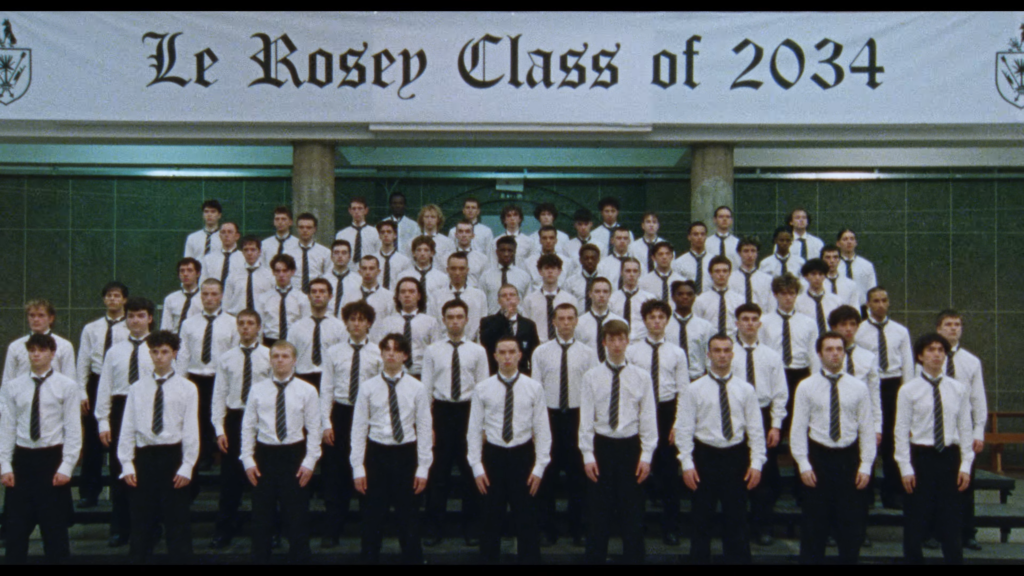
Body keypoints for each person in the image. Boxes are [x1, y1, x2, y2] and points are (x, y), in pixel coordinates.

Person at [676, 334, 766, 564]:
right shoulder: (694, 389)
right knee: (701, 520)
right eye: (717, 350)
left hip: (735, 457)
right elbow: (684, 429)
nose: (722, 355)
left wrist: (756, 463)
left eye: (727, 350)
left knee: (736, 521)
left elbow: (755, 430)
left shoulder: (745, 389)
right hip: (705, 456)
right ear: (708, 355)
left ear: (733, 355)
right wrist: (687, 464)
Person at [790, 331, 875, 564]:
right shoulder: (806, 387)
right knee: (814, 528)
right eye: (829, 349)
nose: (835, 353)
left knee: (851, 528)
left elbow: (867, 429)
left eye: (839, 349)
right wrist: (803, 463)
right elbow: (798, 429)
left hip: (849, 459)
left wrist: (866, 465)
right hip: (818, 459)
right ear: (819, 353)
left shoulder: (858, 387)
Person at [118, 330, 199, 564]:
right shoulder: (137, 387)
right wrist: (126, 462)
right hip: (144, 457)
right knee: (141, 522)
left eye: (164, 352)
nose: (159, 357)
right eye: (154, 352)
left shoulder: (187, 388)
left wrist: (187, 464)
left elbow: (191, 428)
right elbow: (127, 427)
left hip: (173, 457)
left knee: (178, 523)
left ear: (174, 353)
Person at [579, 319, 656, 565]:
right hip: (602, 446)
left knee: (632, 512)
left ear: (627, 342)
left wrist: (646, 456)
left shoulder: (641, 377)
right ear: (604, 343)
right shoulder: (591, 376)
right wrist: (588, 454)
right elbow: (586, 418)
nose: (616, 344)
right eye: (611, 339)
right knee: (597, 512)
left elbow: (648, 418)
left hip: (629, 447)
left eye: (620, 339)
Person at [351, 334, 433, 565]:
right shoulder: (368, 387)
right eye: (386, 349)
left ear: (405, 356)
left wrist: (423, 467)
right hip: (376, 455)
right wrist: (358, 466)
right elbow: (358, 427)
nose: (390, 353)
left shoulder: (417, 388)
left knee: (408, 519)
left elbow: (425, 427)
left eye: (397, 350)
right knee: (372, 519)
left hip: (406, 454)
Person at [0, 333, 81, 564]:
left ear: (52, 354)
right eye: (32, 350)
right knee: (16, 530)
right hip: (22, 458)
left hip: (52, 458)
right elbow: (7, 427)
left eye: (41, 350)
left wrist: (67, 466)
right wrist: (5, 464)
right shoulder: (14, 387)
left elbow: (73, 430)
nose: (36, 354)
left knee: (54, 530)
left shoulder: (67, 386)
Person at [468, 336, 551, 564]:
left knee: (527, 520)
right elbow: (474, 429)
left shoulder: (533, 388)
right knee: (490, 519)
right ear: (494, 356)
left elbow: (542, 429)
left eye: (511, 352)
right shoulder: (482, 388)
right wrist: (476, 466)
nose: (506, 357)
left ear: (519, 355)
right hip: (493, 457)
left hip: (522, 456)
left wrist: (540, 467)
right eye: (501, 352)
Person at [896, 333, 974, 565]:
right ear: (920, 356)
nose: (937, 354)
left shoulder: (958, 389)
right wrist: (905, 467)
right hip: (921, 457)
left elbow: (965, 429)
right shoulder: (909, 390)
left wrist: (966, 465)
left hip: (949, 457)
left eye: (941, 350)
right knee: (916, 520)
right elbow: (900, 431)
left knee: (951, 521)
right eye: (931, 350)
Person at [240, 340, 320, 563]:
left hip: (294, 456)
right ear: (270, 360)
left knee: (297, 517)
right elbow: (248, 426)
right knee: (261, 518)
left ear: (294, 360)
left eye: (285, 356)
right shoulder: (257, 390)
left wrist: (310, 461)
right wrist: (247, 459)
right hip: (265, 455)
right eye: (275, 356)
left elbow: (314, 428)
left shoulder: (308, 390)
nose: (280, 360)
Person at [421, 301, 490, 546]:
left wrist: (482, 426)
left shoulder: (478, 351)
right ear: (444, 319)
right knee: (438, 472)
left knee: (471, 470)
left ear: (467, 320)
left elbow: (483, 390)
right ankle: (434, 526)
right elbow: (426, 390)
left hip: (468, 412)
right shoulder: (432, 351)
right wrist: (427, 424)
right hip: (441, 412)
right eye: (450, 317)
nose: (455, 321)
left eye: (460, 317)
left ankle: (471, 526)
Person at [531, 303, 597, 547]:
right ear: (554, 322)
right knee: (546, 474)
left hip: (578, 417)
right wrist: (536, 426)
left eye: (570, 318)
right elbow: (536, 391)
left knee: (578, 477)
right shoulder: (541, 352)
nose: (566, 323)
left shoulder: (588, 353)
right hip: (549, 417)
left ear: (577, 321)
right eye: (561, 318)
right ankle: (547, 528)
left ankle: (578, 527)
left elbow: (593, 390)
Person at [319, 301, 383, 548]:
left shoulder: (378, 353)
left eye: (361, 319)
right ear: (345, 322)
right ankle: (333, 528)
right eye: (352, 319)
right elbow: (326, 389)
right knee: (336, 473)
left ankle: (369, 530)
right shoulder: (334, 352)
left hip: (368, 415)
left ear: (368, 323)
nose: (356, 323)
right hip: (342, 413)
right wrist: (326, 422)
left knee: (367, 470)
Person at [625, 300, 689, 545]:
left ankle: (670, 527)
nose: (656, 321)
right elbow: (628, 387)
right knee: (639, 470)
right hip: (639, 411)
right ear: (644, 320)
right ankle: (636, 527)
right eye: (651, 317)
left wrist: (677, 423)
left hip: (666, 411)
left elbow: (683, 391)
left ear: (667, 320)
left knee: (669, 473)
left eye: (661, 317)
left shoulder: (676, 352)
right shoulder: (633, 351)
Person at [96, 297, 155, 548]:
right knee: (120, 471)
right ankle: (120, 528)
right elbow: (105, 387)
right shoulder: (115, 350)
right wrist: (103, 421)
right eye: (131, 316)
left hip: (150, 408)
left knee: (148, 473)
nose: (135, 320)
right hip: (120, 410)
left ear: (150, 318)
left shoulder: (159, 348)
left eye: (140, 315)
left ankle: (151, 528)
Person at [210, 309, 270, 549]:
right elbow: (219, 395)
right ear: (237, 327)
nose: (246, 327)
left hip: (262, 418)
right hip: (235, 418)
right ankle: (225, 528)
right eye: (242, 323)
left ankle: (268, 529)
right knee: (231, 479)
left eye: (250, 323)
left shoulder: (269, 355)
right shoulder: (226, 358)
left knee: (264, 477)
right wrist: (219, 428)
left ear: (258, 327)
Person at [733, 303, 789, 546]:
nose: (749, 323)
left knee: (764, 475)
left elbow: (780, 393)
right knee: (736, 471)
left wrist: (775, 425)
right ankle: (738, 528)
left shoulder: (771, 355)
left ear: (760, 323)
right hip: (734, 413)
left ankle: (763, 525)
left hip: (763, 413)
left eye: (754, 319)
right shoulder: (726, 351)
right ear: (736, 322)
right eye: (744, 318)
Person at [855, 286, 914, 509]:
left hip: (893, 386)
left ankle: (894, 493)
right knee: (868, 439)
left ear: (888, 303)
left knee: (892, 439)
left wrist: (907, 394)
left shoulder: (900, 331)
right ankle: (865, 493)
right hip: (869, 385)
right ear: (868, 304)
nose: (880, 304)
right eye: (875, 301)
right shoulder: (859, 331)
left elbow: (907, 364)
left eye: (884, 300)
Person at [935, 309, 987, 551]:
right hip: (935, 430)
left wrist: (979, 431)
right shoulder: (930, 358)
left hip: (963, 431)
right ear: (939, 329)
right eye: (948, 324)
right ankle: (934, 532)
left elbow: (978, 399)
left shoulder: (971, 361)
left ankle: (968, 532)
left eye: (957, 324)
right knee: (936, 484)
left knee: (965, 482)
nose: (953, 328)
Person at [75, 281, 129, 508]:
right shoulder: (92, 328)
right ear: (104, 299)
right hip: (96, 382)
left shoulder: (131, 326)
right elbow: (83, 361)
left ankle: (122, 493)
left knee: (121, 438)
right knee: (92, 441)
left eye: (117, 296)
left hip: (122, 385)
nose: (113, 300)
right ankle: (89, 491)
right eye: (108, 296)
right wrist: (82, 391)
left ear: (124, 299)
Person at [177, 278, 238, 469]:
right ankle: (202, 457)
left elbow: (235, 355)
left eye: (214, 294)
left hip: (220, 378)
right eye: (205, 294)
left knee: (222, 418)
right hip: (196, 377)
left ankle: (227, 458)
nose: (209, 298)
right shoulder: (189, 324)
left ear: (221, 296)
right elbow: (183, 355)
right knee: (198, 419)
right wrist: (180, 382)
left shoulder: (232, 322)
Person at [759, 274, 817, 435]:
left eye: (792, 293)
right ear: (775, 295)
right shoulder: (764, 322)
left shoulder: (808, 323)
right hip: (775, 373)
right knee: (775, 420)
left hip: (800, 373)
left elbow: (813, 355)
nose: (788, 298)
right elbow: (761, 352)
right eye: (783, 293)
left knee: (800, 419)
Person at [376, 278, 442, 378]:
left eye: (411, 292)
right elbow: (380, 351)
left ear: (419, 296)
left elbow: (436, 353)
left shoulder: (430, 322)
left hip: (422, 374)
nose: (407, 295)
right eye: (403, 292)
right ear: (398, 296)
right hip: (394, 374)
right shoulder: (387, 322)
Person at [3, 299, 76, 387]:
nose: (36, 319)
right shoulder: (15, 346)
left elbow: (70, 380)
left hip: (54, 396)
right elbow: (7, 380)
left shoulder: (64, 346)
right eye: (32, 315)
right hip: (22, 397)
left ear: (51, 318)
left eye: (41, 315)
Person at [290, 278, 345, 390]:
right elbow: (290, 357)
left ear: (330, 296)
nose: (318, 295)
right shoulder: (296, 327)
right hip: (302, 377)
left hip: (328, 379)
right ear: (309, 297)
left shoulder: (339, 327)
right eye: (314, 292)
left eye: (322, 291)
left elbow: (342, 359)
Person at [479, 284, 540, 375]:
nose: (508, 298)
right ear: (498, 301)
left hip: (522, 375)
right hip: (495, 373)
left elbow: (534, 353)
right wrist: (504, 319)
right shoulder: (487, 322)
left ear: (518, 300)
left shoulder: (528, 325)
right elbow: (485, 342)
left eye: (512, 295)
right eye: (504, 296)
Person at [427, 252, 486, 342]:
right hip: (443, 346)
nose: (457, 273)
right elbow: (432, 326)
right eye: (453, 269)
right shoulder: (436, 296)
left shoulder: (479, 296)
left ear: (467, 270)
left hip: (470, 346)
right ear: (447, 270)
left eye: (461, 269)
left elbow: (482, 328)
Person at [667, 280, 716, 381]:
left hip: (697, 377)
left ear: (694, 298)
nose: (685, 297)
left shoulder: (705, 327)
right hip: (671, 378)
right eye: (680, 294)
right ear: (673, 297)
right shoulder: (665, 325)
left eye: (689, 294)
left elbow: (709, 356)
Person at [521, 254, 578, 342]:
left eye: (553, 268)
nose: (550, 272)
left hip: (562, 343)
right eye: (547, 268)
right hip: (537, 344)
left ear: (559, 271)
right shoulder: (530, 300)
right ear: (540, 271)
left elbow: (574, 326)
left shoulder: (570, 300)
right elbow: (526, 327)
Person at [258, 254, 311, 347]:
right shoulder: (264, 298)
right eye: (277, 271)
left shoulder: (302, 298)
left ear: (292, 272)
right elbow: (259, 326)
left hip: (293, 342)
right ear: (273, 272)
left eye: (285, 271)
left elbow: (306, 325)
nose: (281, 275)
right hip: (270, 341)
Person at [574, 277, 625, 363]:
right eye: (597, 291)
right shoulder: (579, 323)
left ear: (610, 295)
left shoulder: (620, 322)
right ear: (590, 294)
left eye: (605, 291)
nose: (601, 295)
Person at [693, 255, 744, 339]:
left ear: (730, 273)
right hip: (709, 343)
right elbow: (697, 325)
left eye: (725, 271)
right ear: (710, 273)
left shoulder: (739, 300)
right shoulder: (701, 300)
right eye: (717, 271)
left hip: (733, 343)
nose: (721, 274)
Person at [479, 236, 532, 315]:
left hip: (517, 321)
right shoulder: (486, 276)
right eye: (503, 250)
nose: (506, 254)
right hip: (493, 322)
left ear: (514, 252)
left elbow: (527, 304)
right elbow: (482, 304)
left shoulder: (524, 276)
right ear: (497, 252)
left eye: (510, 250)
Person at [224, 236, 275, 315]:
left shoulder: (269, 275)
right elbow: (226, 301)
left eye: (253, 250)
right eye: (246, 250)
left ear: (260, 252)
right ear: (242, 253)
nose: (249, 253)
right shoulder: (233, 275)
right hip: (237, 319)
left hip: (261, 319)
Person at [609, 258, 656, 341]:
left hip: (642, 342)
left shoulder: (649, 299)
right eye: (628, 271)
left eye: (635, 271)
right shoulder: (612, 298)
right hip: (619, 342)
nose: (631, 274)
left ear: (639, 273)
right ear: (621, 273)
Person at [397, 236, 449, 309]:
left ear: (432, 253)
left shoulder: (442, 278)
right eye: (419, 250)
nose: (422, 253)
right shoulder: (403, 276)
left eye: (426, 250)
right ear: (413, 253)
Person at [797, 258, 843, 338]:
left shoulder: (836, 301)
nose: (817, 278)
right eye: (813, 274)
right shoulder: (798, 302)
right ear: (806, 277)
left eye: (820, 274)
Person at [286, 212, 331, 294]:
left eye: (309, 227)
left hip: (316, 294)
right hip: (293, 294)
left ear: (315, 229)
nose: (305, 230)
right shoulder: (288, 252)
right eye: (301, 227)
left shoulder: (325, 252)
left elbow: (328, 276)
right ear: (297, 228)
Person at [729, 237, 775, 314]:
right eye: (746, 251)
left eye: (753, 251)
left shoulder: (767, 280)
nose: (750, 255)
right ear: (739, 253)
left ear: (757, 253)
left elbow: (771, 306)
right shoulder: (730, 278)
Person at [524, 225, 577, 291]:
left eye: (551, 238)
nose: (548, 241)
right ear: (540, 240)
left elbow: (569, 286)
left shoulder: (567, 262)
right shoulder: (529, 262)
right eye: (544, 238)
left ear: (556, 240)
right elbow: (528, 288)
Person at [836, 229, 878, 310]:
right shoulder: (834, 266)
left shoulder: (866, 265)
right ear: (838, 243)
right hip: (840, 307)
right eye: (845, 239)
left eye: (852, 239)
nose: (849, 242)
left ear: (856, 243)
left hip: (862, 308)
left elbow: (872, 290)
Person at [160, 258, 203, 334]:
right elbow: (166, 326)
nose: (185, 274)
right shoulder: (171, 299)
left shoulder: (204, 298)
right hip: (175, 340)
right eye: (182, 271)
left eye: (190, 270)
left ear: (198, 274)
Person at [335, 196, 380, 268]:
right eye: (354, 209)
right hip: (349, 272)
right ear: (350, 211)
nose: (357, 212)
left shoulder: (375, 233)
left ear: (366, 211)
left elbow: (379, 255)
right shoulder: (341, 235)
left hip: (368, 272)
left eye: (360, 208)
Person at [672, 222, 713, 294]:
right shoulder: (679, 262)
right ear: (689, 237)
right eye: (695, 234)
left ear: (706, 236)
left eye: (702, 234)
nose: (699, 237)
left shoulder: (713, 261)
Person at [493, 203, 536, 268]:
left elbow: (532, 265)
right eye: (509, 216)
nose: (512, 218)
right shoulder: (496, 241)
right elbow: (492, 263)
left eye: (515, 215)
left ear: (520, 219)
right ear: (504, 220)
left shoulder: (529, 242)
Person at [374, 220, 412, 291]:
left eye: (389, 232)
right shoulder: (373, 259)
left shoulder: (404, 261)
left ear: (395, 235)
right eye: (383, 232)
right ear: (379, 236)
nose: (386, 235)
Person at [326, 239, 360, 317]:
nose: (340, 256)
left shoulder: (358, 281)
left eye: (344, 253)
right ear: (331, 256)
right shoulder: (324, 280)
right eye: (336, 253)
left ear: (349, 257)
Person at [820, 244, 861, 308]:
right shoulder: (817, 284)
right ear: (822, 260)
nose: (832, 261)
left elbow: (855, 308)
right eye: (828, 257)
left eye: (835, 257)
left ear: (839, 260)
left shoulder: (850, 284)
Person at [565, 243, 603, 312]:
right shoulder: (571, 282)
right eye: (586, 258)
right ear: (580, 260)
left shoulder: (605, 281)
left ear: (598, 260)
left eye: (593, 258)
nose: (590, 261)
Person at [381, 191, 420, 257]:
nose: (397, 206)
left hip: (407, 260)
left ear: (404, 205)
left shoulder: (413, 226)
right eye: (395, 203)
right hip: (387, 259)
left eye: (400, 203)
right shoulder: (382, 224)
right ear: (390, 205)